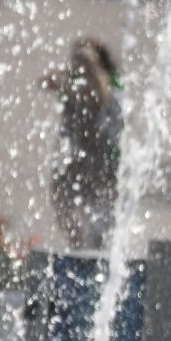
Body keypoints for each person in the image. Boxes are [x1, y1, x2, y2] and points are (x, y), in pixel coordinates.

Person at [44, 38, 123, 248]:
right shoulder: (72, 86)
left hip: (104, 164)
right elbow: (45, 81)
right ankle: (76, 244)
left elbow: (95, 97)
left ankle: (96, 248)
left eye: (83, 66)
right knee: (60, 194)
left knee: (102, 225)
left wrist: (67, 88)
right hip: (78, 160)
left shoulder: (109, 89)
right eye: (75, 65)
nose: (78, 70)